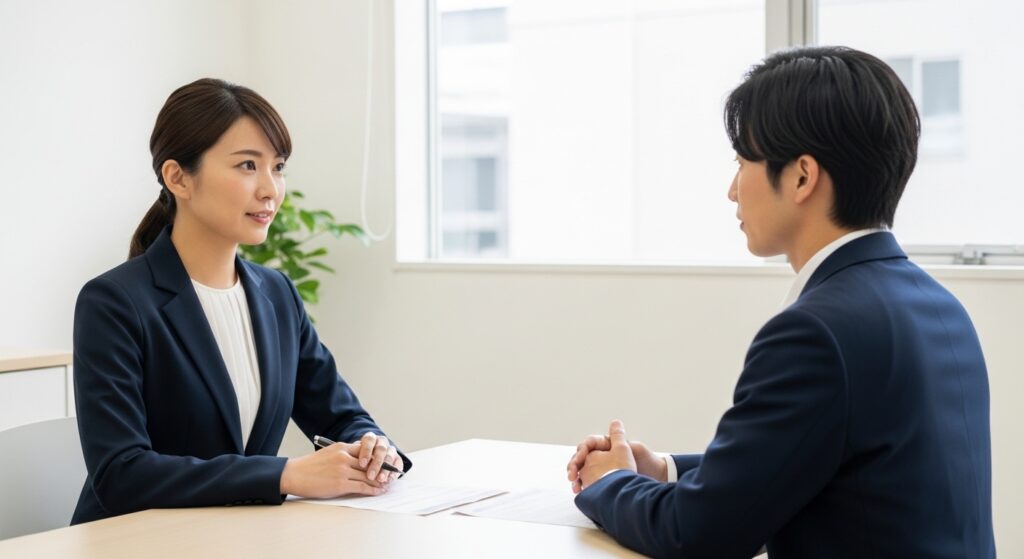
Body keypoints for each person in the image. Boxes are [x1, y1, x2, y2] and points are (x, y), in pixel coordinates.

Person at [566, 46, 995, 558]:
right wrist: (665, 470)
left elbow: (697, 535)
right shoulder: (942, 309)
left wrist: (609, 483)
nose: (732, 191)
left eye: (742, 162)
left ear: (801, 177)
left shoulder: (816, 333)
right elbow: (825, 462)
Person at [71, 78, 408, 524]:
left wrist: (372, 447)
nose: (270, 189)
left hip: (235, 536)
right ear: (178, 177)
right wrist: (285, 475)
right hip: (131, 542)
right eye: (248, 165)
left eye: (278, 167)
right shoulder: (114, 302)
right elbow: (122, 474)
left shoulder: (277, 294)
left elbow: (341, 418)